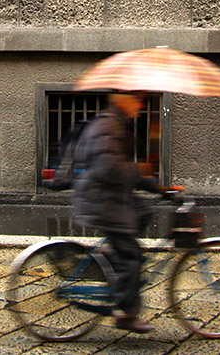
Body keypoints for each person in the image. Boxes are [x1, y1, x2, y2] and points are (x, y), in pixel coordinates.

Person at [71, 91, 160, 333]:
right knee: (132, 256)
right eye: (137, 100)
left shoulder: (117, 123)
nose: (140, 106)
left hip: (109, 197)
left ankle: (111, 251)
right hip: (102, 201)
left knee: (143, 210)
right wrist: (140, 172)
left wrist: (159, 187)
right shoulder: (108, 125)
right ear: (121, 99)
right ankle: (125, 313)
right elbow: (108, 168)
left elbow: (121, 169)